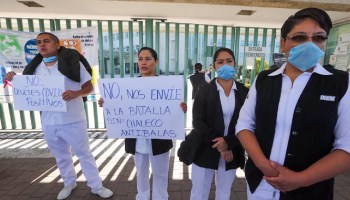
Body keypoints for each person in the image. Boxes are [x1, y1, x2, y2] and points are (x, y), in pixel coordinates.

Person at [236, 8, 350, 200]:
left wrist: (300, 179)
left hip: (310, 191)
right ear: (283, 43)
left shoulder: (340, 83)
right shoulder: (264, 80)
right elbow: (245, 125)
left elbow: (346, 148)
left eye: (318, 37)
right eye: (299, 37)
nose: (309, 44)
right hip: (261, 185)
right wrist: (262, 164)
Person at [5, 32, 113, 200]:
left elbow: (88, 87)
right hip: (48, 121)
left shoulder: (72, 62)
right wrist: (14, 78)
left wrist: (76, 93)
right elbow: (27, 89)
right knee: (61, 156)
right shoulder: (34, 68)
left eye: (46, 41)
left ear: (57, 45)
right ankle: (69, 183)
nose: (42, 44)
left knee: (84, 154)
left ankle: (96, 186)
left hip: (73, 119)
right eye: (39, 42)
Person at [99, 47, 187, 200]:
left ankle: (161, 197)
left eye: (148, 59)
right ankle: (142, 196)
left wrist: (181, 108)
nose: (143, 62)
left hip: (160, 139)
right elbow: (122, 106)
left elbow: (173, 109)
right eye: (140, 59)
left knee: (160, 173)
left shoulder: (167, 85)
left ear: (156, 61)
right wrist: (108, 103)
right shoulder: (128, 86)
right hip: (137, 139)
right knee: (141, 172)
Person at [190, 47, 248, 200]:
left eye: (229, 61)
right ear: (214, 66)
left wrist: (228, 143)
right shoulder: (204, 90)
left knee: (224, 193)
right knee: (199, 193)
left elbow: (247, 123)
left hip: (232, 150)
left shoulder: (244, 92)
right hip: (205, 148)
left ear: (235, 64)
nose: (225, 65)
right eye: (220, 62)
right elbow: (197, 121)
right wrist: (221, 145)